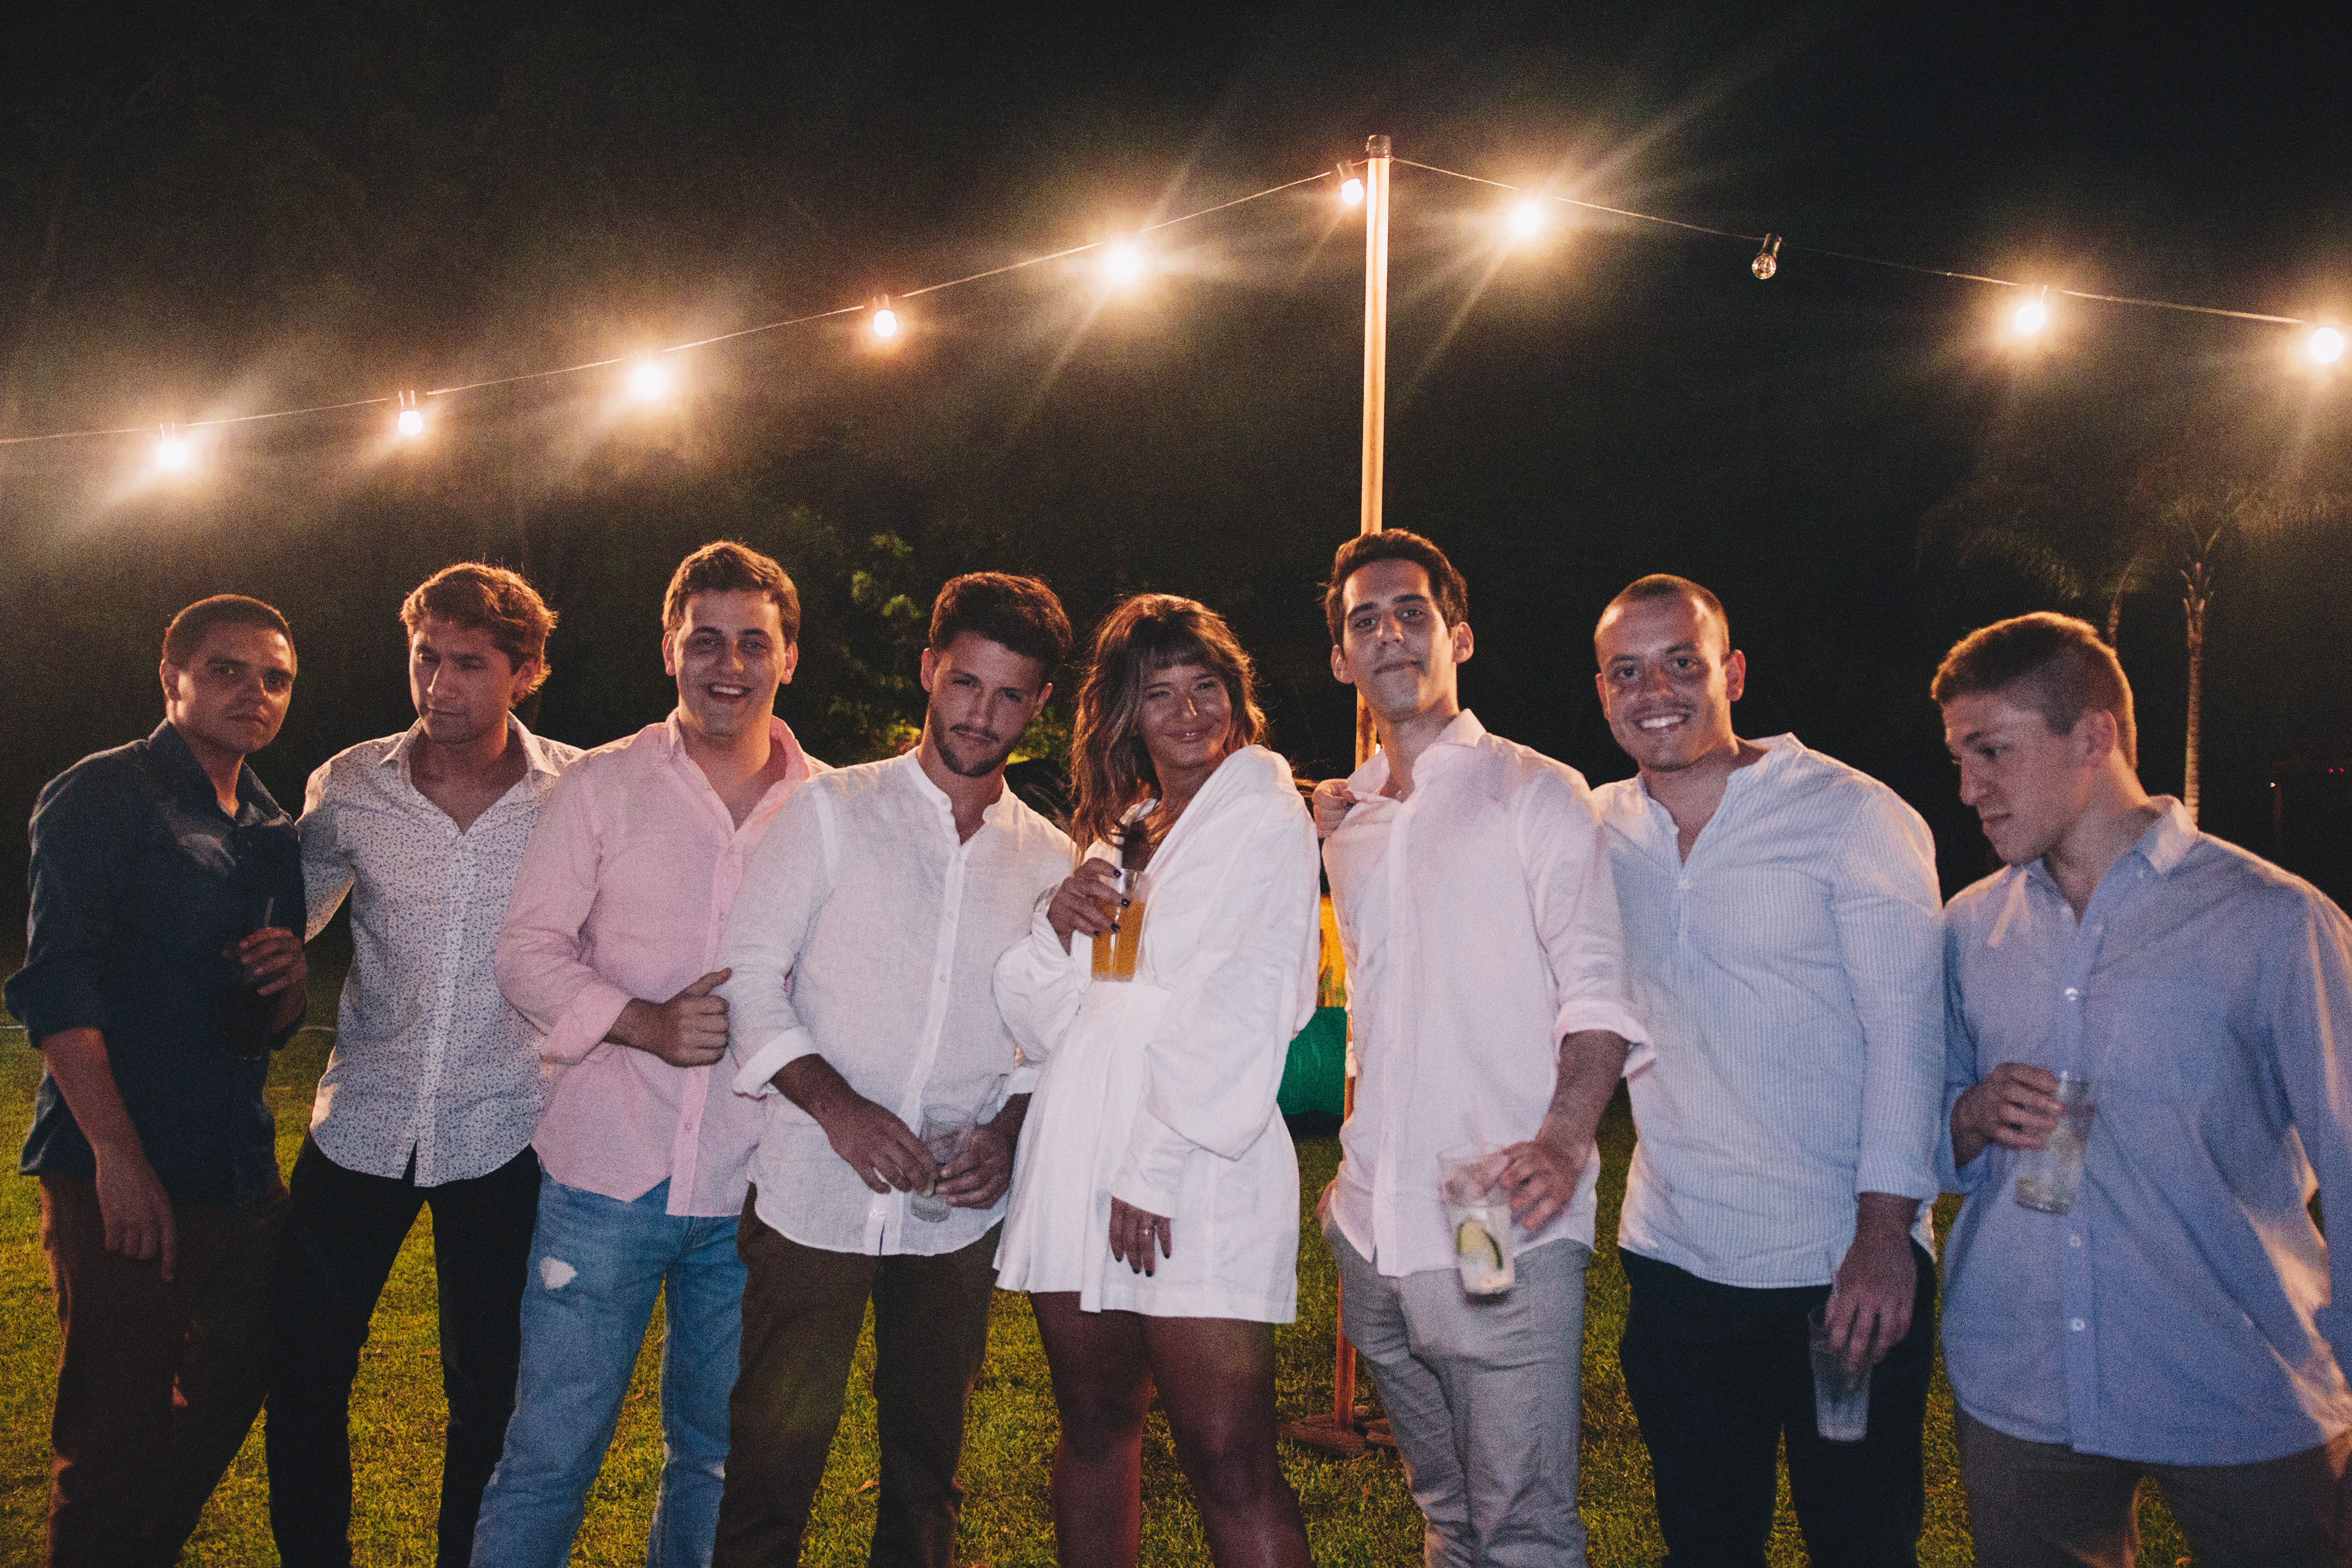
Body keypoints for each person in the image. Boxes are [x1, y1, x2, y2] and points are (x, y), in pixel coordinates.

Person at [1933, 611, 2352, 1567]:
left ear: (2094, 736)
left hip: (2241, 1385)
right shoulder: (1967, 928)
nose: (1969, 788)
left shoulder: (2276, 922)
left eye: (1991, 751)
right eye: (1959, 758)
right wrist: (1969, 1114)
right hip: (2024, 1387)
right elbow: (1918, 1134)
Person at [712, 573, 1074, 1568]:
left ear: (1040, 704)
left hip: (955, 1215)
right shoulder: (833, 809)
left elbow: (1054, 1034)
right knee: (772, 1466)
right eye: (965, 684)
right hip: (813, 1199)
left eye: (1009, 695)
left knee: (927, 1476)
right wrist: (840, 1111)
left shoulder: (1049, 858)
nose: (981, 715)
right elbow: (749, 977)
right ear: (928, 670)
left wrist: (1007, 1137)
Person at [475, 541, 823, 1568]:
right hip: (606, 1174)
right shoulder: (602, 785)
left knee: (715, 1459)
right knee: (549, 1455)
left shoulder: (829, 807)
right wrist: (646, 1024)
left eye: (753, 642)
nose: (729, 664)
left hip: (755, 1186)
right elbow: (525, 951)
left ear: (788, 657)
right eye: (705, 640)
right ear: (669, 650)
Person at [1591, 573, 1943, 1567]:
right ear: (1603, 692)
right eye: (1627, 672)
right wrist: (1356, 807)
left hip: (1840, 1267)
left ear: (1733, 673)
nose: (1655, 690)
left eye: (1682, 662)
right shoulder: (1595, 825)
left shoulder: (1850, 814)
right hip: (1677, 1264)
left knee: (1862, 1543)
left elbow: (1909, 1036)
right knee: (1704, 1544)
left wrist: (1884, 1236)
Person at [1311, 531, 1643, 1568]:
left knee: (1522, 1526)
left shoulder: (1535, 791)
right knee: (1449, 1517)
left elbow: (1598, 989)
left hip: (1490, 1223)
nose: (1389, 635)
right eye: (1365, 621)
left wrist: (1565, 1138)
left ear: (1457, 638)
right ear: (1341, 659)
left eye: (1411, 612)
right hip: (1371, 1236)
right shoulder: (1348, 821)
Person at [994, 594, 1319, 1568]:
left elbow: (1251, 999)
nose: (1187, 712)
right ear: (1126, 713)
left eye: (1204, 686)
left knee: (1228, 1458)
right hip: (1077, 1143)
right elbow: (1052, 1017)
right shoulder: (1127, 829)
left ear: (1236, 696)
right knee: (1095, 1423)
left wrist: (1156, 1164)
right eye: (1159, 692)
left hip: (1192, 1153)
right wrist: (1055, 923)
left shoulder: (1265, 812)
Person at [268, 565, 580, 1568]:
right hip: (361, 1118)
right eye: (425, 657)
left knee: (488, 1387)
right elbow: (285, 920)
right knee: (304, 1367)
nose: (440, 685)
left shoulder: (576, 792)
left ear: (525, 672)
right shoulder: (350, 784)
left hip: (507, 1126)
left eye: (470, 664)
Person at [6, 594, 308, 1567]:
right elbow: (57, 983)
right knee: (114, 1429)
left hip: (238, 1163)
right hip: (121, 1158)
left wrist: (292, 986)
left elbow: (270, 1024)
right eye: (227, 670)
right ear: (171, 678)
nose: (255, 692)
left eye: (275, 678)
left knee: (250, 1368)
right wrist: (117, 1158)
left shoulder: (272, 827)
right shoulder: (104, 795)